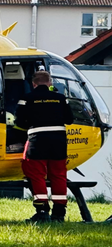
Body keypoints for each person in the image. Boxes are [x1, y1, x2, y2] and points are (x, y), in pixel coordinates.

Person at [15, 70, 74, 223]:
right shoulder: (61, 98)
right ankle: (59, 213)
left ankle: (42, 211)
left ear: (33, 84)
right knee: (59, 174)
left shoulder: (26, 99)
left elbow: (19, 122)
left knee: (36, 174)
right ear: (50, 83)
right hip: (59, 141)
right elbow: (70, 119)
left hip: (37, 139)